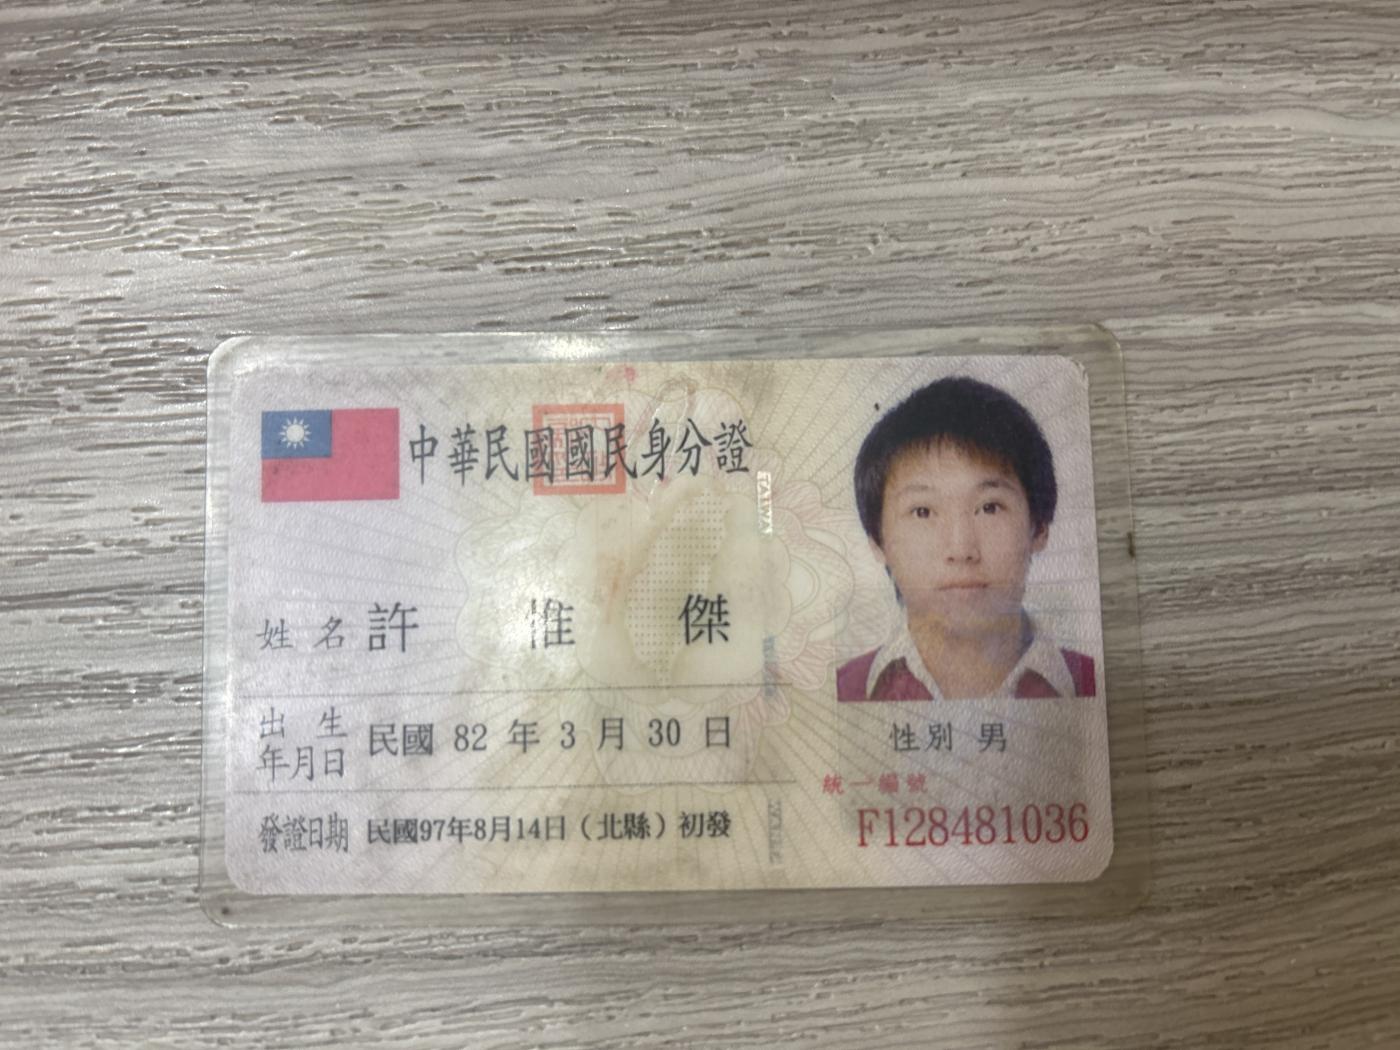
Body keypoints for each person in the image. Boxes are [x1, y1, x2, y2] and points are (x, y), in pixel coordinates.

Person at [837, 376, 1096, 701]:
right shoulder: (841, 692)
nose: (961, 550)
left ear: (1040, 527)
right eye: (923, 512)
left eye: (989, 507)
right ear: (877, 541)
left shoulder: (1094, 683)